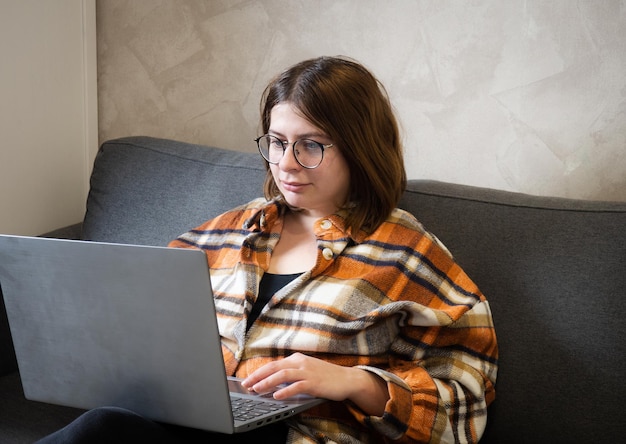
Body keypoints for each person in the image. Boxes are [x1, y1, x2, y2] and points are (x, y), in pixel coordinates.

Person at [38, 56, 497, 443]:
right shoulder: (226, 232)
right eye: (277, 143)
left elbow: (467, 404)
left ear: (361, 148)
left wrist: (355, 383)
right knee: (105, 426)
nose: (287, 164)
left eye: (311, 146)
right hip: (183, 422)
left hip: (299, 433)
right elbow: (144, 322)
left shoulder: (406, 253)